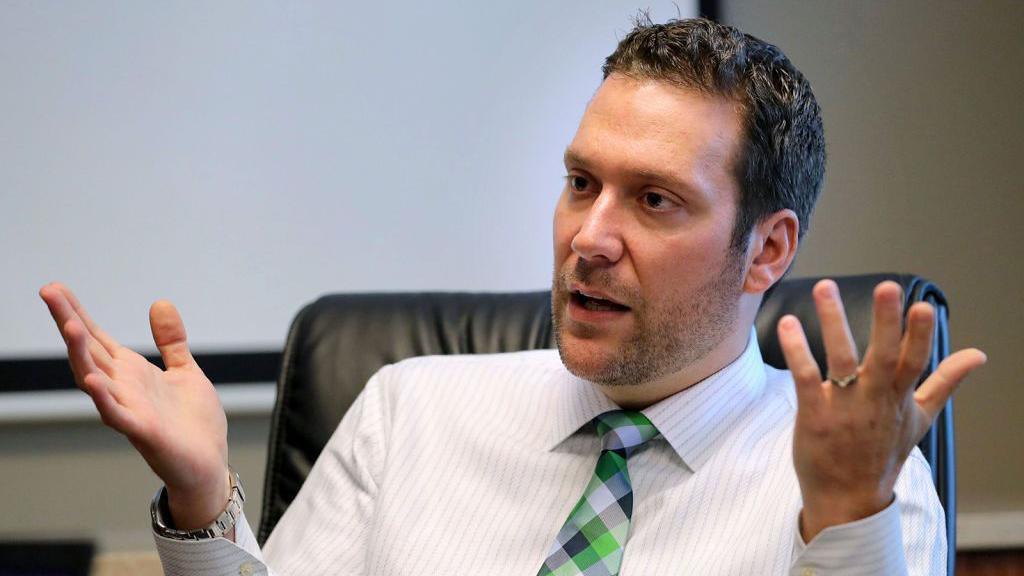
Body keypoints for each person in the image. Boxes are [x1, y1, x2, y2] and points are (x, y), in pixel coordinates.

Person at [40, 17, 985, 576]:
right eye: (581, 183)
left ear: (765, 249)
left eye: (654, 200)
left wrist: (845, 516)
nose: (589, 236)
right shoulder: (410, 408)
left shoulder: (858, 479)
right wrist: (204, 496)